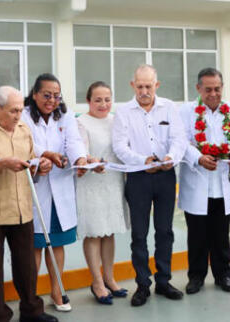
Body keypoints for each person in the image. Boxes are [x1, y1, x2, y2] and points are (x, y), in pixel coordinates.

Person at [0, 86, 57, 322]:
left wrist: (40, 165)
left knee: (26, 267)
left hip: (21, 209)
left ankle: (31, 311)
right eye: (13, 111)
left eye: (20, 110)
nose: (18, 115)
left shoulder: (23, 128)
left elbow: (28, 162)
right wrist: (1, 164)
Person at [112, 64, 188, 307]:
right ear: (133, 85)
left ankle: (163, 281)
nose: (144, 90)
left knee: (165, 231)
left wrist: (171, 158)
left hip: (165, 176)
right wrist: (142, 162)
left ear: (157, 85)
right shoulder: (124, 112)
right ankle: (143, 285)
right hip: (138, 177)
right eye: (140, 86)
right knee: (139, 234)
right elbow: (120, 146)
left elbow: (179, 139)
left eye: (149, 86)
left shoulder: (169, 108)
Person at [21, 73, 91, 312]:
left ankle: (56, 290)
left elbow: (73, 141)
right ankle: (30, 297)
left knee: (58, 243)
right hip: (36, 183)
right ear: (35, 94)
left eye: (56, 96)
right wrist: (45, 155)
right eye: (46, 95)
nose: (51, 100)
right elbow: (26, 142)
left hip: (59, 184)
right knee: (36, 244)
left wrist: (80, 159)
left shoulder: (66, 115)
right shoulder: (23, 116)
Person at [179, 67, 230, 294]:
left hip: (223, 182)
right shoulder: (186, 112)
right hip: (198, 180)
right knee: (197, 234)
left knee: (221, 234)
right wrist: (198, 157)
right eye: (208, 89)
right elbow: (181, 141)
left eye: (217, 89)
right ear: (198, 88)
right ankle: (196, 277)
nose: (213, 94)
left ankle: (223, 275)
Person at [76, 81, 129, 305]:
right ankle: (97, 282)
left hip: (113, 181)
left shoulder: (116, 120)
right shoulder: (80, 122)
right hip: (91, 181)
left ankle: (110, 278)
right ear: (88, 101)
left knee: (109, 231)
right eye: (98, 99)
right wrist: (89, 161)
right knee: (94, 232)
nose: (103, 104)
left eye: (107, 99)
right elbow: (80, 152)